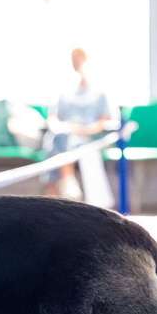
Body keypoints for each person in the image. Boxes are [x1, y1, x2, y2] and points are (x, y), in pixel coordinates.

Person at [48, 47, 115, 206]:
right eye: (74, 61)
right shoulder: (64, 92)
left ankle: (64, 186)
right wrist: (66, 128)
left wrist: (84, 130)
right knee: (60, 138)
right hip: (64, 135)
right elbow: (53, 120)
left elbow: (104, 121)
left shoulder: (100, 93)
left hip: (90, 137)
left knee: (68, 141)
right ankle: (65, 184)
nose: (77, 65)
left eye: (80, 61)